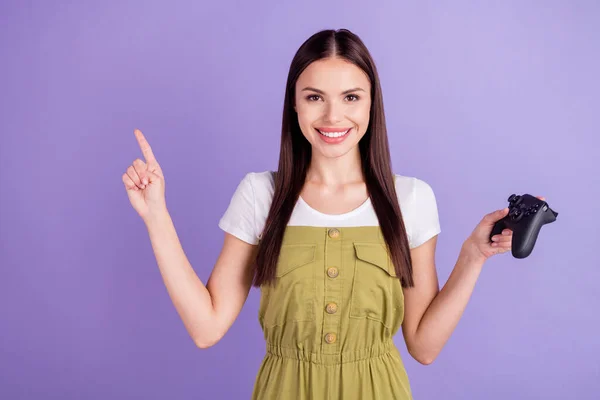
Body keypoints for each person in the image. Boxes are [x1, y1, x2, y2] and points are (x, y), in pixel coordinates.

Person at [122, 28, 545, 400]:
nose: (332, 116)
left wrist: (473, 255)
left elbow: (424, 346)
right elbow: (206, 327)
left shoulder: (410, 198)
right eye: (314, 98)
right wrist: (156, 216)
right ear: (294, 104)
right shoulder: (259, 195)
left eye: (350, 97)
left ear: (371, 105)